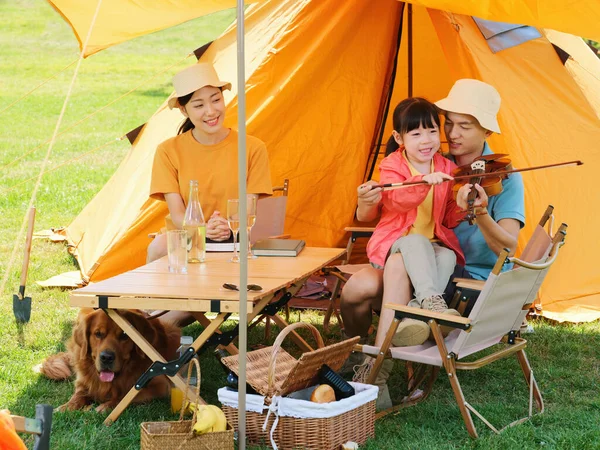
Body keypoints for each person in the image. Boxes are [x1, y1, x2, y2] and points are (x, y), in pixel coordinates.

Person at [341, 79, 525, 410]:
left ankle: (376, 374)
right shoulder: (431, 166)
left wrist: (476, 210)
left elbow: (496, 241)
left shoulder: (491, 175)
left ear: (486, 132)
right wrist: (419, 184)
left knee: (408, 259)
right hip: (417, 257)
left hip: (461, 277)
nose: (451, 134)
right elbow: (392, 202)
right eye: (449, 123)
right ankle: (363, 353)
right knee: (360, 286)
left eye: (464, 126)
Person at [148, 63, 273, 324]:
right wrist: (204, 229)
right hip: (188, 241)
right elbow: (177, 213)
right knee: (158, 245)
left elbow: (249, 209)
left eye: (216, 99)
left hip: (238, 241)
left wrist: (227, 225)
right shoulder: (168, 151)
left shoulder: (253, 148)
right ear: (184, 110)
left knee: (166, 323)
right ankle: (155, 316)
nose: (211, 111)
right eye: (199, 105)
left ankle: (159, 326)